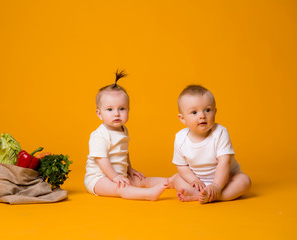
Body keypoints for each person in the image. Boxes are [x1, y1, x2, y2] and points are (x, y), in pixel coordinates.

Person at [84, 70, 169, 200]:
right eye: (110, 109)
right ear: (99, 113)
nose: (117, 113)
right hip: (99, 179)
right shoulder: (99, 135)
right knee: (121, 188)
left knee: (140, 180)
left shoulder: (123, 129)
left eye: (122, 108)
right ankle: (148, 195)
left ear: (128, 109)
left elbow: (124, 151)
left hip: (119, 174)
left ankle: (170, 181)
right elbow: (102, 160)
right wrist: (115, 177)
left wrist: (130, 169)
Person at [169, 85, 251, 204]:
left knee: (244, 181)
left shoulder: (220, 133)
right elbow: (182, 166)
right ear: (182, 118)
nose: (202, 115)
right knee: (177, 179)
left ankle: (216, 196)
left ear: (215, 112)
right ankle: (200, 193)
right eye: (194, 112)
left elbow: (224, 162)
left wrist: (216, 186)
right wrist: (194, 181)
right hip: (198, 182)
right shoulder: (180, 138)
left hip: (225, 179)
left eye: (207, 110)